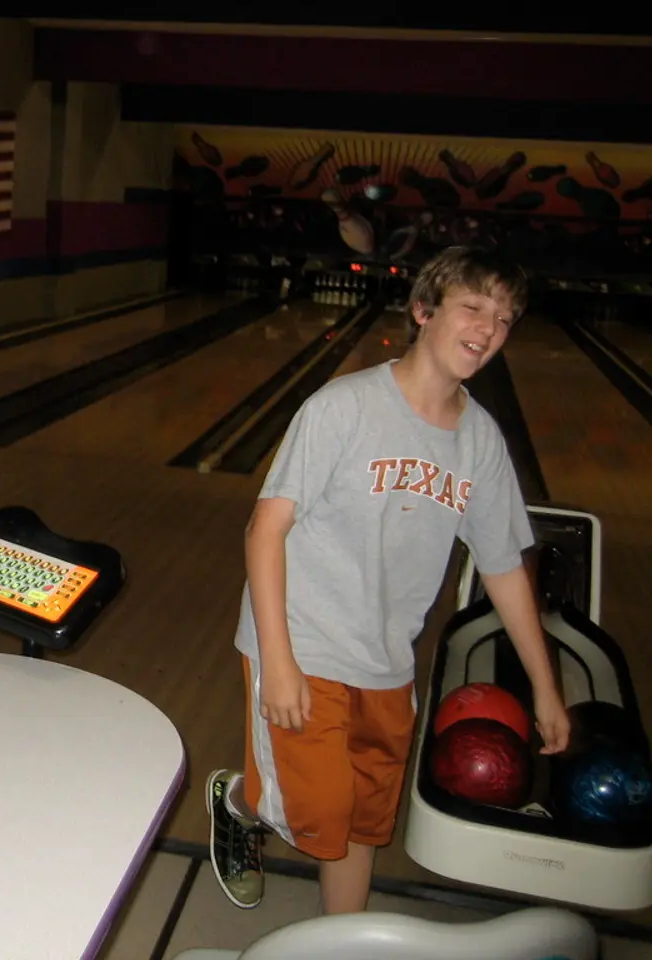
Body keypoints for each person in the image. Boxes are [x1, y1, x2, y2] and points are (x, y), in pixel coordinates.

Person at [206, 246, 570, 915]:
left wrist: (547, 687)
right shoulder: (343, 408)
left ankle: (340, 938)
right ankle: (239, 804)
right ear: (424, 310)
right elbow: (265, 530)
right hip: (303, 642)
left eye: (506, 318)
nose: (490, 329)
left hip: (387, 662)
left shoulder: (481, 442)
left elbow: (503, 569)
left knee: (360, 826)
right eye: (474, 307)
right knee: (316, 811)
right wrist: (278, 663)